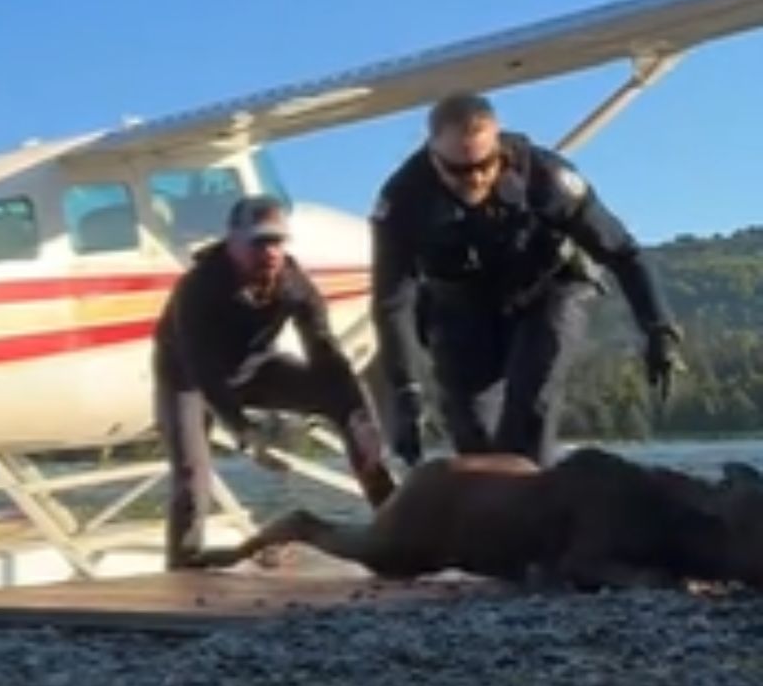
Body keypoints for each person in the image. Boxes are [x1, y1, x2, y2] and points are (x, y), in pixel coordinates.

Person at [369, 91, 683, 468]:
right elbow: (392, 302)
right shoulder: (402, 201)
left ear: (499, 146)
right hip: (462, 307)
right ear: (433, 157)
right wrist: (405, 390)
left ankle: (534, 505)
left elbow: (622, 252)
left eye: (485, 164)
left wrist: (659, 328)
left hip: (545, 291)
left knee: (530, 409)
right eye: (458, 170)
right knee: (473, 437)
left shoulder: (548, 178)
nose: (476, 178)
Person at [152, 194, 393, 569]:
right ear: (232, 241)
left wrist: (357, 414)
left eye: (278, 242)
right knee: (190, 472)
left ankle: (392, 515)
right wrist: (246, 432)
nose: (270, 252)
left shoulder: (294, 283)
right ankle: (184, 560)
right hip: (189, 378)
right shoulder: (199, 287)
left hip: (256, 368)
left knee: (347, 402)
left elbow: (324, 350)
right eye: (259, 242)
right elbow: (202, 368)